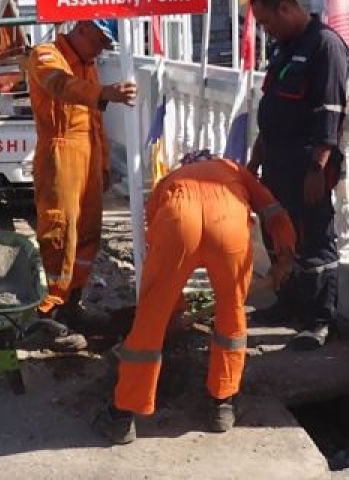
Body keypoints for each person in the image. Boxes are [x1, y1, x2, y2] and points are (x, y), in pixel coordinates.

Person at [93, 152, 296, 444]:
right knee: (232, 313)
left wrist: (170, 308)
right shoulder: (233, 169)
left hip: (177, 220)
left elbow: (156, 235)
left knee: (150, 319)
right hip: (229, 225)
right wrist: (285, 257)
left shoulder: (170, 179)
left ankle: (122, 416)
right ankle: (222, 405)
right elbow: (273, 210)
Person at [246, 0, 349, 350]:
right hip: (275, 159)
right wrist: (254, 163)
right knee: (278, 236)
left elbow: (330, 113)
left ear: (286, 8)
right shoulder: (283, 49)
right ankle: (287, 305)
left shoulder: (325, 45)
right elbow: (270, 113)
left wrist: (318, 168)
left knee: (314, 241)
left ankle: (318, 320)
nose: (265, 30)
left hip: (308, 164)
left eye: (267, 22)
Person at [24, 19, 136, 350]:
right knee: (60, 231)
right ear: (84, 28)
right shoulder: (46, 55)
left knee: (87, 233)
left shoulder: (89, 64)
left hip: (87, 154)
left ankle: (73, 304)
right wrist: (104, 93)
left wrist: (102, 166)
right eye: (101, 41)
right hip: (59, 153)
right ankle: (50, 315)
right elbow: (60, 86)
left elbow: (94, 121)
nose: (102, 49)